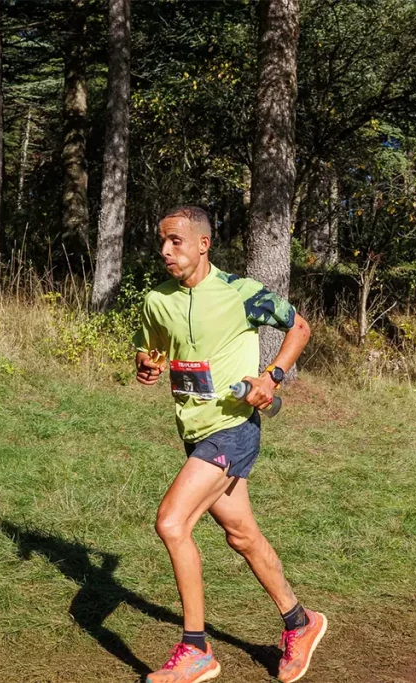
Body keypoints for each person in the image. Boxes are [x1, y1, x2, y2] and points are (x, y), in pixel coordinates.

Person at [133, 206, 326, 683]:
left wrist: (272, 377)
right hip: (194, 431)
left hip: (234, 428)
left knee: (172, 522)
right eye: (162, 241)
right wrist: (147, 366)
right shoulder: (158, 299)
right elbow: (150, 347)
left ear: (203, 244)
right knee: (242, 535)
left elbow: (299, 327)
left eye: (175, 241)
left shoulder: (241, 293)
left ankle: (195, 648)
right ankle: (301, 622)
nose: (165, 251)